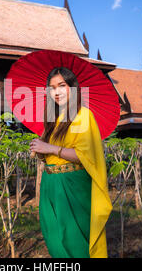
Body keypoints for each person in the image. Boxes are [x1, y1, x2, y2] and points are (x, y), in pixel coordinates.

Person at [29, 67, 113, 258]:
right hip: (50, 184)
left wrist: (49, 148)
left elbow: (85, 155)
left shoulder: (83, 116)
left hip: (73, 184)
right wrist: (40, 149)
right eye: (51, 87)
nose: (56, 92)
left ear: (72, 88)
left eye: (61, 86)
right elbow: (50, 155)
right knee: (54, 239)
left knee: (75, 240)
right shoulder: (52, 119)